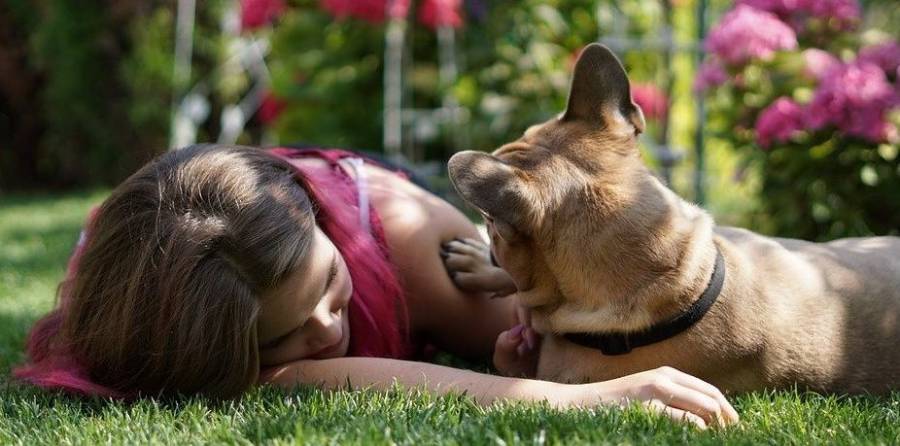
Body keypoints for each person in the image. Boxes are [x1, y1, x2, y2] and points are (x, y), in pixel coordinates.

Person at [16, 144, 737, 429]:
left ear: (327, 232)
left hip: (378, 193)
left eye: (330, 288)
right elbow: (291, 381)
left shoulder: (411, 242)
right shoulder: (153, 304)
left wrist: (561, 371)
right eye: (282, 336)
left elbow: (595, 333)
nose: (328, 330)